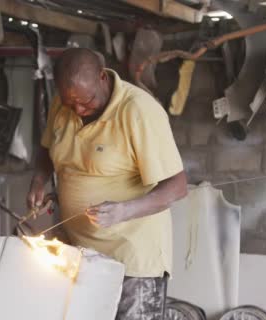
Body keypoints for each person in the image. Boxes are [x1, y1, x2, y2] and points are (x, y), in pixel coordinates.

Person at [26, 48, 187, 320]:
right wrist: (39, 180)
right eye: (70, 102)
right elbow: (46, 150)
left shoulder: (138, 111)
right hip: (79, 255)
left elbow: (178, 186)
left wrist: (124, 210)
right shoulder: (62, 104)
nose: (77, 109)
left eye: (85, 101)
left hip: (131, 262)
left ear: (102, 78)